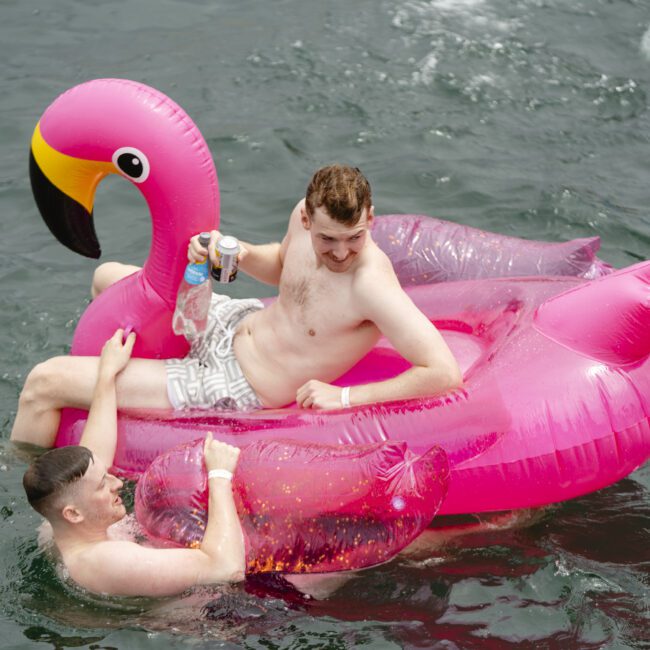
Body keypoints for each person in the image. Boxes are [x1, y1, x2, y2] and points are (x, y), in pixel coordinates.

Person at [11, 165, 462, 447]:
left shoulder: (372, 284)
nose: (342, 252)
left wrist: (344, 396)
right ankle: (123, 382)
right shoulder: (300, 223)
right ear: (306, 218)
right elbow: (285, 267)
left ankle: (15, 484)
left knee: (44, 382)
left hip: (235, 384)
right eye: (328, 239)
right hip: (233, 321)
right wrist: (242, 253)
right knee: (105, 276)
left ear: (371, 220)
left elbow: (442, 372)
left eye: (355, 237)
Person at [22, 329, 246, 597]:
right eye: (103, 485)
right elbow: (227, 570)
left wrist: (106, 375)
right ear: (73, 514)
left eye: (107, 476)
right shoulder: (113, 562)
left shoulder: (56, 527)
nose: (117, 483)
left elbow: (95, 457)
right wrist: (220, 475)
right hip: (207, 623)